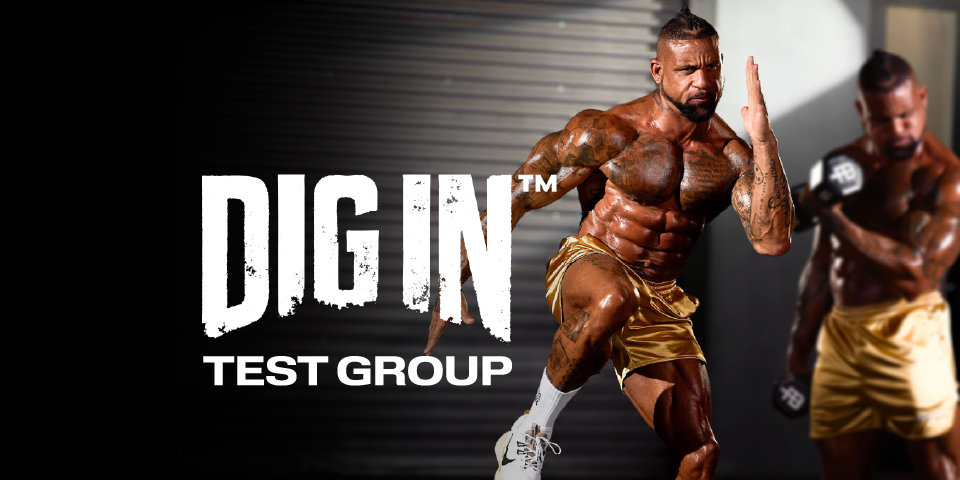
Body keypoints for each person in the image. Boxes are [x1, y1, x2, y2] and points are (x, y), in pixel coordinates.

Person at [426, 8, 794, 479]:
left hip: (659, 296)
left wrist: (765, 143)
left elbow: (771, 241)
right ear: (658, 71)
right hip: (590, 264)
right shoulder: (610, 133)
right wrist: (452, 281)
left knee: (701, 455)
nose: (703, 81)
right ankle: (531, 431)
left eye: (711, 67)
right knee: (614, 295)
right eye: (687, 70)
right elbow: (515, 198)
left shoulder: (732, 157)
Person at [786, 50, 960, 479]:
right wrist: (798, 352)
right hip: (843, 336)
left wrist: (832, 217)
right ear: (862, 111)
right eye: (882, 120)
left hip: (911, 331)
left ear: (922, 99)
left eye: (905, 115)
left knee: (940, 467)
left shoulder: (945, 177)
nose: (897, 129)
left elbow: (917, 274)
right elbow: (824, 267)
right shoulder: (843, 164)